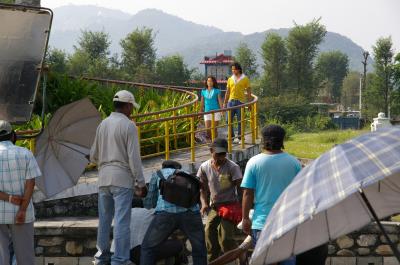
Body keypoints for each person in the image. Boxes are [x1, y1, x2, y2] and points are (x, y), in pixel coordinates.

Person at [90, 90, 148, 265]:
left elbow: (93, 156)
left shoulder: (103, 124)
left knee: (105, 219)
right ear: (128, 105)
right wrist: (141, 182)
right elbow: (134, 158)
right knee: (122, 221)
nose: (132, 111)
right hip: (122, 179)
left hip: (103, 178)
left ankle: (101, 257)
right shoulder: (129, 125)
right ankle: (120, 260)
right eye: (132, 107)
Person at [241, 125, 301, 265]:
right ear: (282, 140)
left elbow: (247, 193)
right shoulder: (294, 163)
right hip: (288, 222)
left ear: (263, 140)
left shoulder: (254, 162)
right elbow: (300, 192)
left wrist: (245, 218)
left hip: (262, 223)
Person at [140, 160, 207, 265]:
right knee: (199, 248)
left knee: (147, 248)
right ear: (178, 168)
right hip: (191, 213)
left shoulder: (158, 174)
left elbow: (149, 203)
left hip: (166, 214)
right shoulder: (187, 174)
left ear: (163, 167)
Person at [0, 120, 41, 265]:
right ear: (13, 136)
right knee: (25, 257)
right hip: (22, 213)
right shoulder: (25, 153)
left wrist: (9, 198)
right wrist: (22, 209)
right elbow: (31, 183)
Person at [197, 138, 242, 262]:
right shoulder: (204, 167)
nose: (221, 157)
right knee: (208, 232)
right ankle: (213, 260)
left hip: (230, 206)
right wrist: (204, 203)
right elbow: (202, 188)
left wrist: (242, 207)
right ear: (211, 151)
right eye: (218, 154)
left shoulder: (233, 167)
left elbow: (242, 188)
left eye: (223, 154)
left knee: (226, 239)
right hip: (215, 207)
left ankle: (238, 256)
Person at [111, 207, 186, 265]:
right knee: (177, 244)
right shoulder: (157, 217)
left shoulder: (132, 210)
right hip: (139, 255)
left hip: (118, 254)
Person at [223, 62, 252, 144]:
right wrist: (224, 103)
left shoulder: (245, 78)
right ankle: (231, 136)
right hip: (231, 102)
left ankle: (240, 137)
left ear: (238, 69)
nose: (233, 71)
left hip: (240, 102)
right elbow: (227, 92)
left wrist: (249, 103)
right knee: (228, 120)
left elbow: (249, 91)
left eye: (234, 69)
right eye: (232, 69)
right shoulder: (230, 79)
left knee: (240, 120)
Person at [200, 76, 223, 140]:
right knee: (208, 129)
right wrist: (200, 111)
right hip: (207, 112)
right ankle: (211, 141)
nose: (209, 82)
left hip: (216, 112)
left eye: (211, 81)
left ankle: (214, 142)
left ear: (213, 82)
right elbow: (202, 102)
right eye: (208, 81)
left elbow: (220, 101)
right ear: (206, 82)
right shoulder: (203, 91)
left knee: (214, 129)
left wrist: (222, 110)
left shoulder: (217, 91)